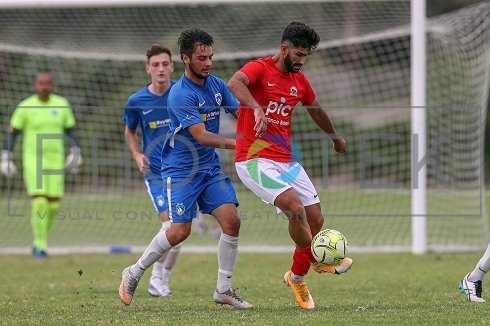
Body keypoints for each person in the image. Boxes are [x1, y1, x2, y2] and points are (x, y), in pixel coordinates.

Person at [118, 28, 254, 310]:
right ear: (186, 59)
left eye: (210, 57)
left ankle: (224, 289)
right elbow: (202, 136)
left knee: (232, 220)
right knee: (179, 231)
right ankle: (134, 271)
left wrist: (261, 120)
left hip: (209, 168)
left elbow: (240, 113)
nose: (208, 63)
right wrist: (244, 145)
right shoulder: (180, 94)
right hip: (180, 171)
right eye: (202, 58)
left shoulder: (216, 85)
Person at [228, 21, 352, 309]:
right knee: (295, 210)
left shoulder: (300, 81)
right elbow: (235, 83)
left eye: (306, 55)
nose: (302, 61)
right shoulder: (259, 68)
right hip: (253, 159)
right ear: (284, 49)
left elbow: (315, 109)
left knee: (316, 218)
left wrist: (334, 136)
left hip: (286, 160)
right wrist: (256, 107)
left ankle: (297, 277)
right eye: (298, 54)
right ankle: (318, 258)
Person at [1, 72, 82, 258]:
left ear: (52, 86)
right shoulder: (25, 106)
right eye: (40, 83)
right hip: (33, 159)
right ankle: (40, 244)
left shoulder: (61, 104)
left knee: (53, 205)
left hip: (56, 160)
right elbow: (13, 133)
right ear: (35, 85)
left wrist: (75, 151)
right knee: (39, 200)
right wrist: (6, 154)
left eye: (47, 83)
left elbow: (71, 130)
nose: (44, 86)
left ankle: (41, 239)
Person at [122, 44, 181, 297]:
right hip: (155, 172)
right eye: (155, 65)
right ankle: (154, 277)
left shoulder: (182, 92)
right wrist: (136, 154)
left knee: (180, 228)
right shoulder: (137, 101)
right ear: (148, 68)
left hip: (181, 171)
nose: (160, 69)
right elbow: (130, 132)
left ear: (172, 66)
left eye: (164, 64)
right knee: (170, 225)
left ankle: (160, 278)